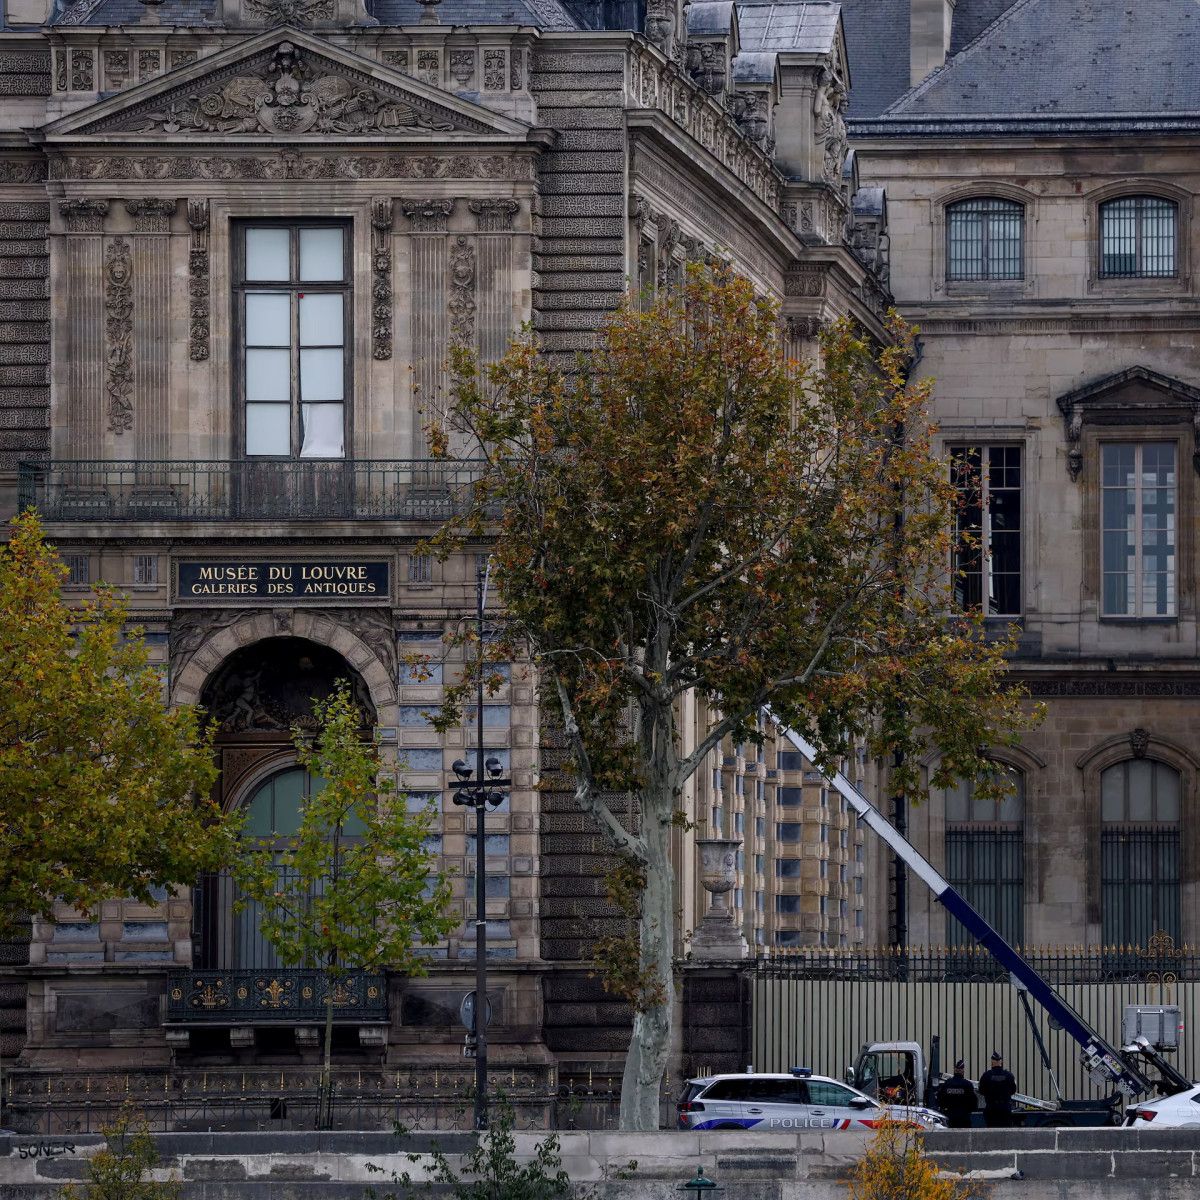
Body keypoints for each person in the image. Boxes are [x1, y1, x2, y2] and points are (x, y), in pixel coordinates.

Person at [978, 1050, 1017, 1128]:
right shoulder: (1009, 1075)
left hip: (991, 1108)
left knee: (992, 1130)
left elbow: (981, 1090)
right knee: (1005, 1130)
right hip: (1005, 1108)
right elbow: (1013, 1090)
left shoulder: (986, 1075)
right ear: (1001, 1062)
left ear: (992, 1062)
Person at [935, 1059, 978, 1129]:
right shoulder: (967, 1084)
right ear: (963, 1071)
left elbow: (940, 1099)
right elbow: (974, 1102)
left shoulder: (947, 1083)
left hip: (950, 1116)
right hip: (964, 1117)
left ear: (955, 1070)